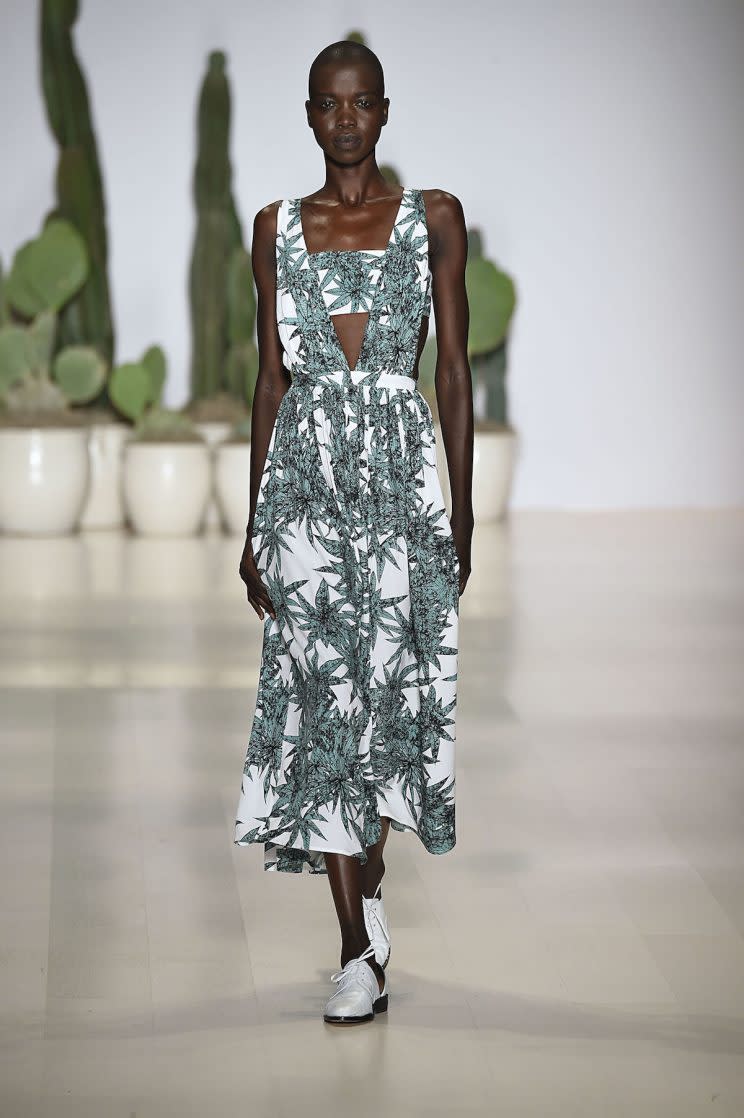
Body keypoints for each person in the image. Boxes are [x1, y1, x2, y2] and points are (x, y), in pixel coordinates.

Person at [235, 38, 473, 1025]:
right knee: (327, 708)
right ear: (307, 113)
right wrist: (255, 520)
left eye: (361, 103)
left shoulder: (435, 220)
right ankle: (355, 954)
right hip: (305, 491)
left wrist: (461, 509)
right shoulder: (274, 227)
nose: (344, 120)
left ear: (384, 112)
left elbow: (452, 369)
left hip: (404, 492)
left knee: (394, 709)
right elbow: (269, 379)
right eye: (328, 105)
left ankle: (369, 874)